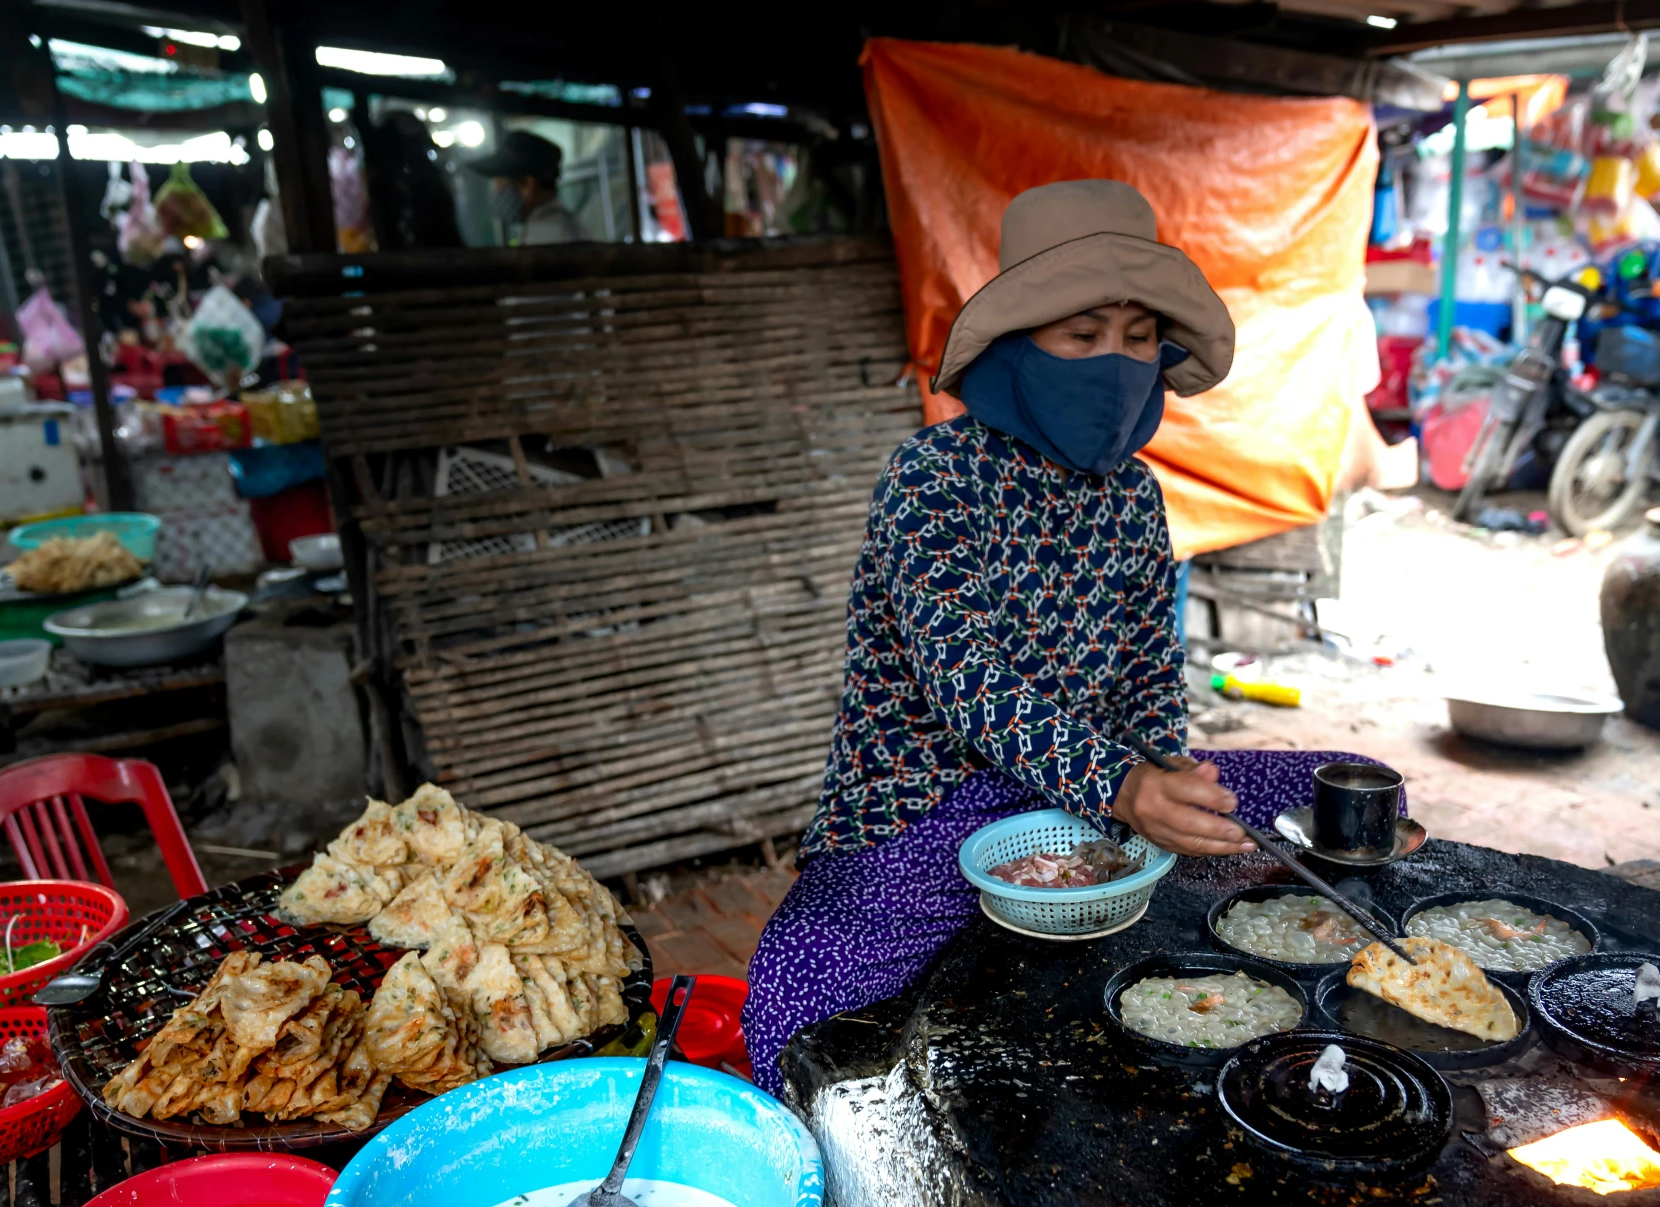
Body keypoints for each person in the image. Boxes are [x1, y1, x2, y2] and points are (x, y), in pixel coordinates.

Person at [740, 180, 1390, 1095]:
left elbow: (1147, 671)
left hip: (1095, 793)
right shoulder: (931, 477)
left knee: (1336, 790)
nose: (1114, 364)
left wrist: (1165, 772)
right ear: (1017, 347)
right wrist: (1125, 789)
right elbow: (963, 676)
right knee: (801, 996)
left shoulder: (1134, 495)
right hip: (926, 807)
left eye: (1134, 339)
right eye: (1082, 337)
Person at [468, 131, 587, 245]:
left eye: (500, 182)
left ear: (529, 185)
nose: (496, 191)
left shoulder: (549, 235)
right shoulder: (543, 227)